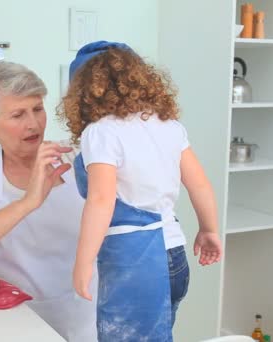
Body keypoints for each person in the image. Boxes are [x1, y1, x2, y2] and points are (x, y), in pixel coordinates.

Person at [57, 41, 223, 341]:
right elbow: (199, 184)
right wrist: (209, 229)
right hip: (174, 255)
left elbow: (101, 200)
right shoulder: (169, 126)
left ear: (82, 90)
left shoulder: (101, 132)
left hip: (135, 263)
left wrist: (83, 263)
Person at [0, 61, 97, 341]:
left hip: (89, 314)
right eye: (17, 115)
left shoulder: (76, 155)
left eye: (37, 109)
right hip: (18, 320)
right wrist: (29, 202)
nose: (34, 123)